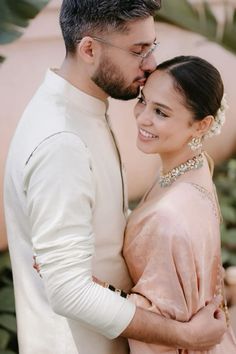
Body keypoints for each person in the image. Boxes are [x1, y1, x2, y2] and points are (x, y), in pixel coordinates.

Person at [3, 1, 226, 353]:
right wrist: (184, 335)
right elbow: (69, 291)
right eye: (138, 50)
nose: (151, 64)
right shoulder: (62, 143)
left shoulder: (86, 110)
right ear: (89, 49)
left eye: (151, 47)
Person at [122, 55, 236, 353]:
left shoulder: (169, 215)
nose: (143, 117)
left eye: (161, 112)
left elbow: (158, 325)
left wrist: (84, 283)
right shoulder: (193, 168)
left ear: (202, 125)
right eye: (143, 101)